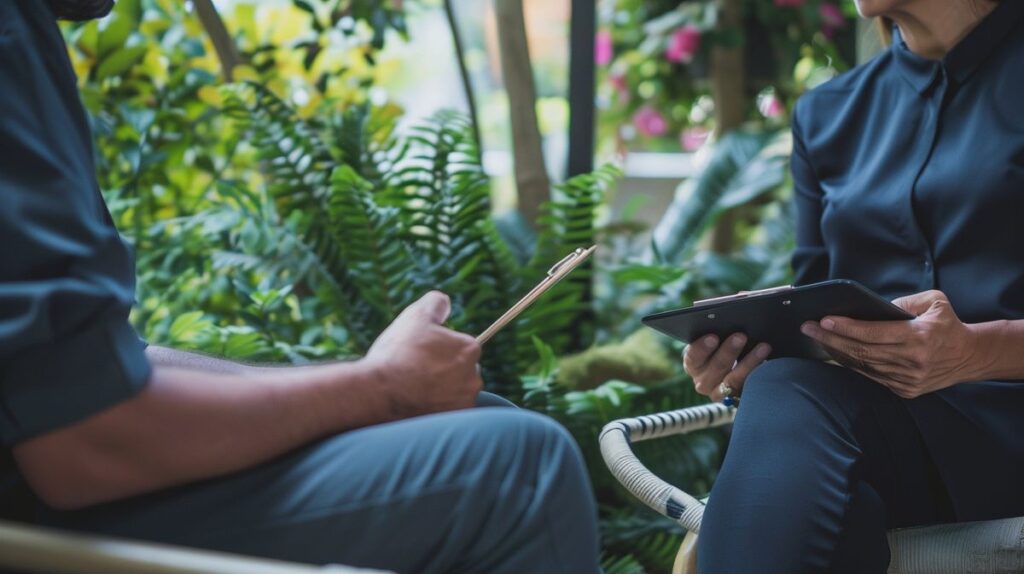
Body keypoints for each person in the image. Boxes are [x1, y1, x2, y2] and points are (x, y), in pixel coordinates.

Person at [0, 1, 602, 572]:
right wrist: (379, 388)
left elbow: (104, 365)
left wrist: (368, 390)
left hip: (46, 492)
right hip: (36, 528)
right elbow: (83, 440)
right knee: (521, 468)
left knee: (475, 415)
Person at [683, 0, 1024, 571]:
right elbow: (810, 309)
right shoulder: (827, 114)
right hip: (891, 444)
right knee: (802, 424)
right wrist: (751, 355)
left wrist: (975, 352)